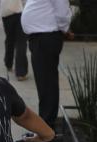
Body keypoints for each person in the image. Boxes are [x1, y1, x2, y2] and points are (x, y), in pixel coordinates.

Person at [21, 0, 73, 129]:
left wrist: (64, 29)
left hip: (46, 37)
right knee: (44, 82)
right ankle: (46, 122)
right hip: (40, 37)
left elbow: (62, 12)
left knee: (47, 82)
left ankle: (47, 124)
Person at [0, 0, 28, 81]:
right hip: (19, 12)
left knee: (10, 39)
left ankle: (8, 64)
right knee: (21, 42)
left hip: (6, 14)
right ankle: (21, 72)